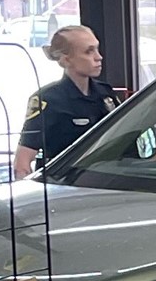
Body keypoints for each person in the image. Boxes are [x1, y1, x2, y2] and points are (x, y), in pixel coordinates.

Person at [14, 25, 117, 179]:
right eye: (89, 51)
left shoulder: (105, 93)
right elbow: (22, 161)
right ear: (66, 59)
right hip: (64, 184)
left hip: (107, 179)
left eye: (97, 49)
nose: (98, 57)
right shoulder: (49, 99)